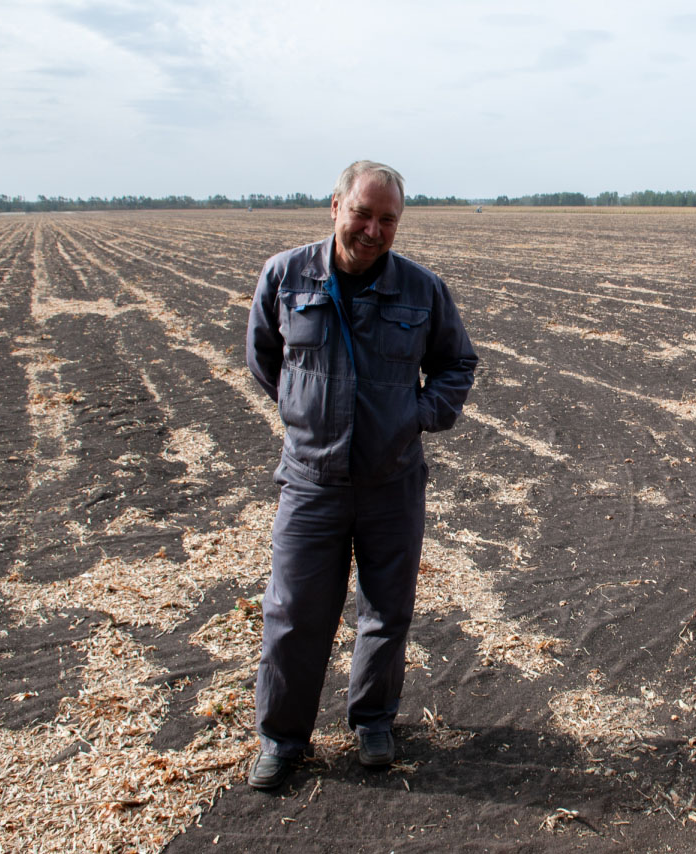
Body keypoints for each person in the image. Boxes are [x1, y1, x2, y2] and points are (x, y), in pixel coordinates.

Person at [244, 160, 477, 789]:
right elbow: (265, 359)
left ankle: (373, 720)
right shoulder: (286, 276)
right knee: (294, 613)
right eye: (363, 214)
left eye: (387, 219)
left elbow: (457, 362)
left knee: (387, 609)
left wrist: (417, 414)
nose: (373, 230)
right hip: (311, 482)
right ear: (335, 207)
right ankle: (282, 738)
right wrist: (307, 416)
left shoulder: (421, 289)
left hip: (391, 481)